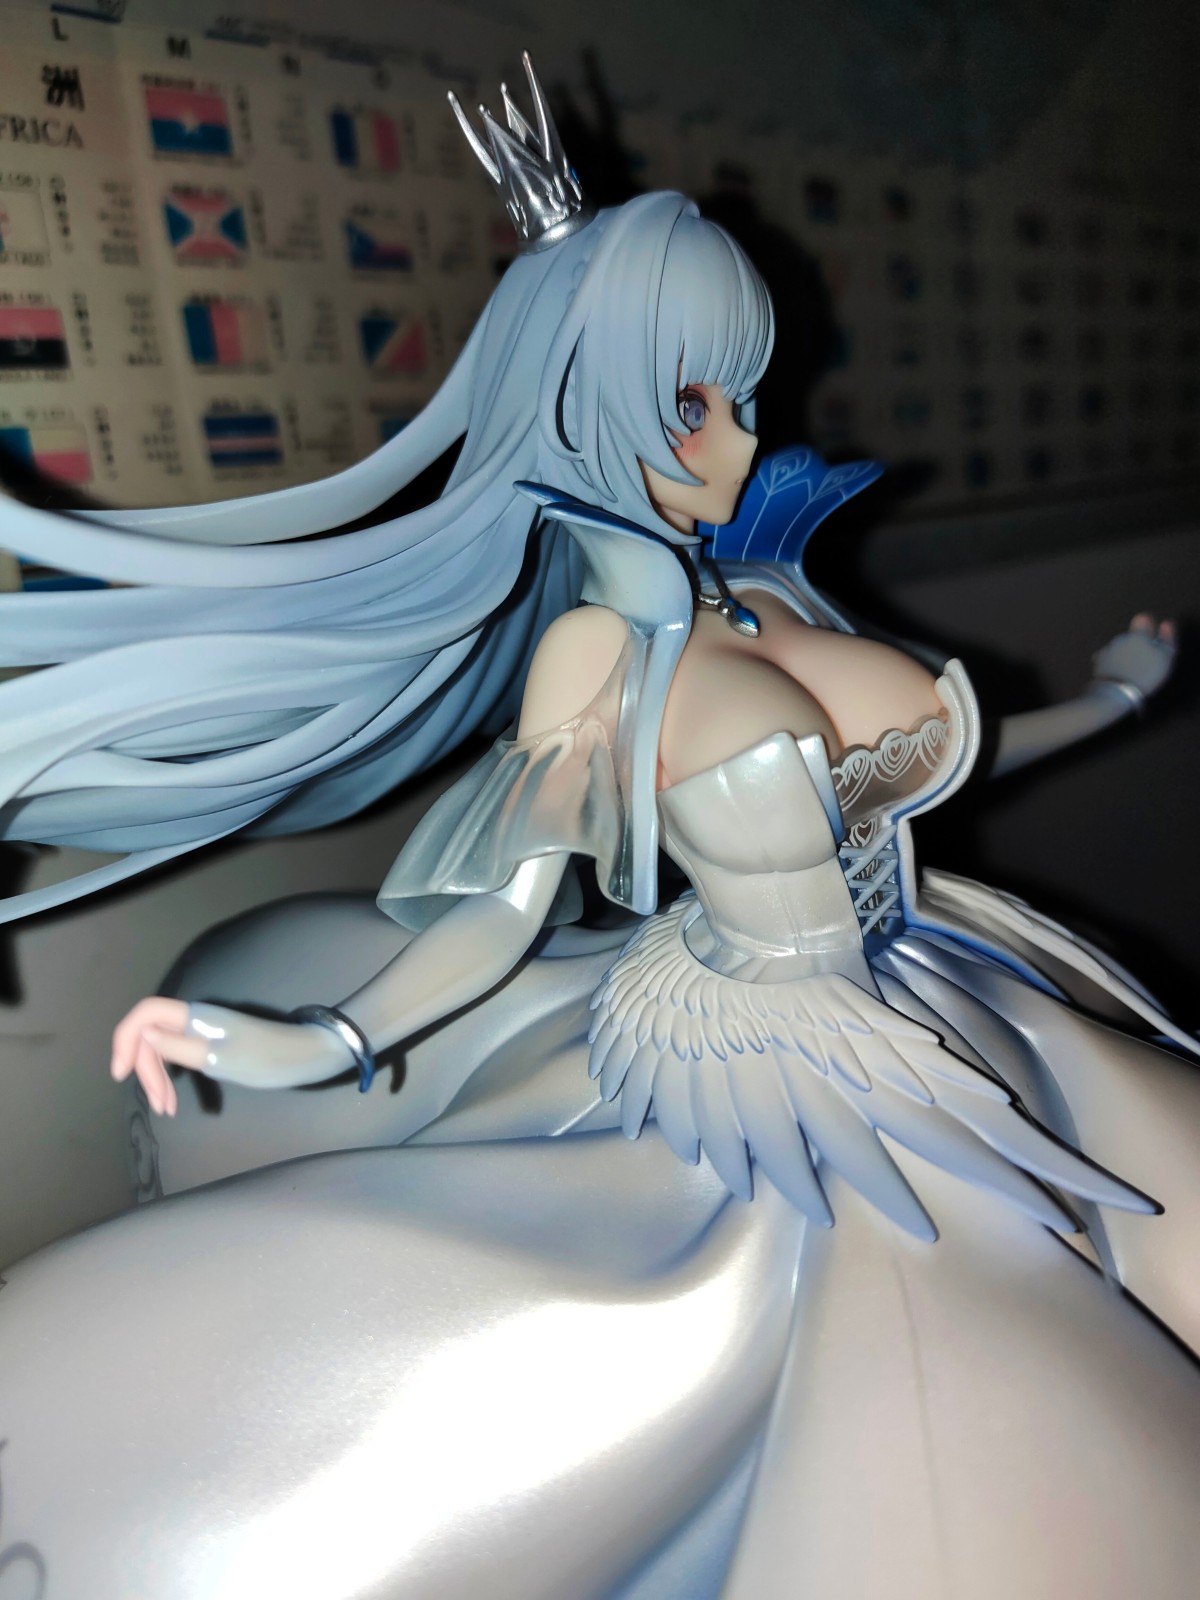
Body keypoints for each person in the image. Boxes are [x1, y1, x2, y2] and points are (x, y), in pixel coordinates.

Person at [0, 57, 1197, 1600]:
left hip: (940, 977)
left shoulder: (760, 588)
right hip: (768, 1065)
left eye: (740, 400)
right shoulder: (595, 657)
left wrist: (1112, 697)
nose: (736, 444)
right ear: (585, 409)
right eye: (692, 405)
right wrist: (315, 1041)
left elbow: (955, 753)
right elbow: (505, 911)